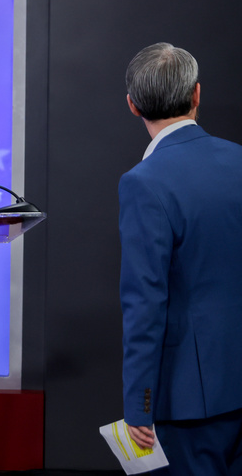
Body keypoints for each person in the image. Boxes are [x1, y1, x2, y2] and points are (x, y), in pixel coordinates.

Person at [119, 42, 242, 474]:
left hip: (190, 403)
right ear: (197, 94)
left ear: (133, 106)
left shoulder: (144, 182)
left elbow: (145, 302)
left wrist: (139, 404)